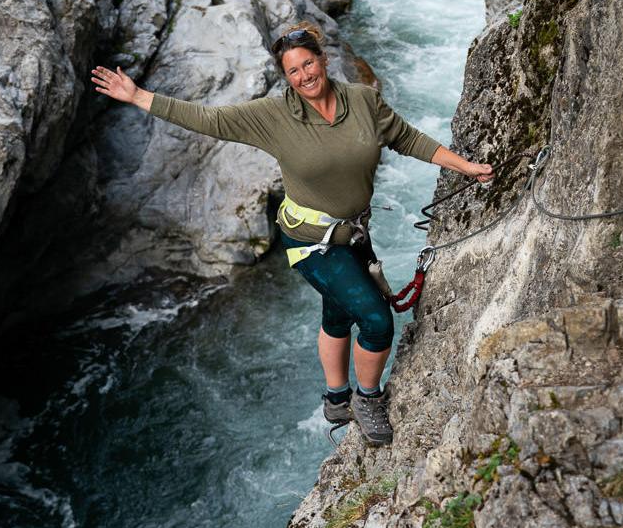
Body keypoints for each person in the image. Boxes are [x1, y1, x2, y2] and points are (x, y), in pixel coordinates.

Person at [90, 22, 492, 446]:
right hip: (310, 240)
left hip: (353, 234)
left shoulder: (362, 100)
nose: (304, 76)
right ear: (286, 78)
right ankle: (367, 398)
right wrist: (137, 96)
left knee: (339, 311)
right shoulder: (274, 115)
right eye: (293, 72)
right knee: (375, 320)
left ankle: (337, 397)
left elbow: (407, 137)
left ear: (323, 60)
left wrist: (466, 167)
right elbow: (210, 119)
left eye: (308, 64)